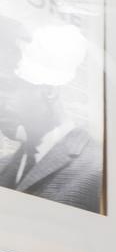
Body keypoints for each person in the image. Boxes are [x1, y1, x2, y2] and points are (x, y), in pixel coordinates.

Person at [0, 18, 103, 214]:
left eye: (7, 87)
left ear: (49, 91)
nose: (1, 102)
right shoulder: (3, 167)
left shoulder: (98, 169)